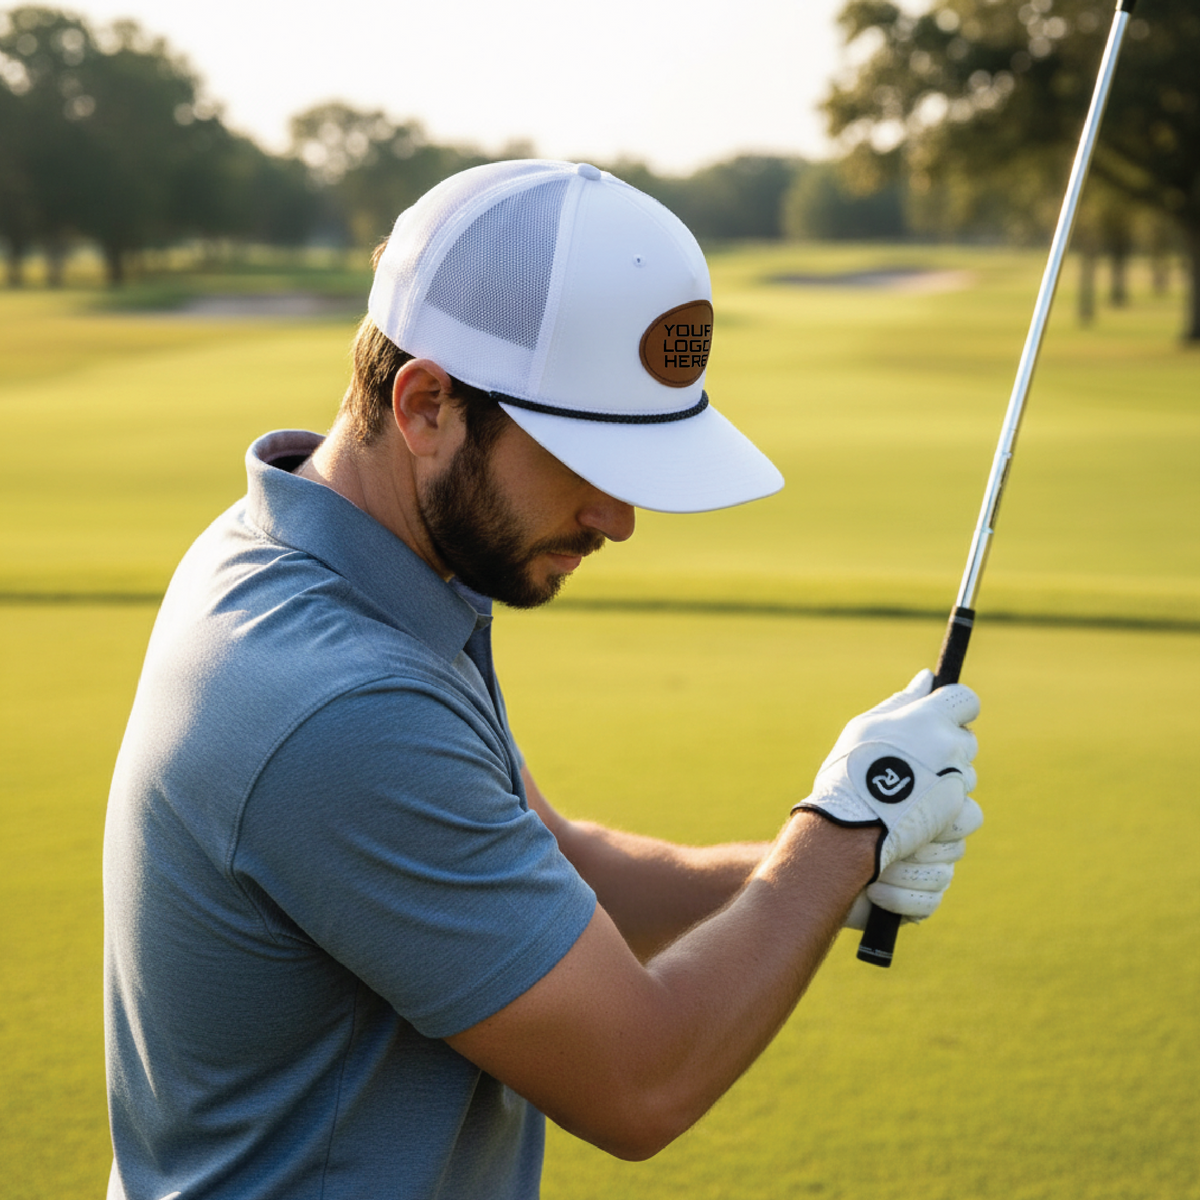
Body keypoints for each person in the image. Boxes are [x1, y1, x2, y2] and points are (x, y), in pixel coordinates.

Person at [103, 160, 983, 1200]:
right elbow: (641, 1082)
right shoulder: (346, 702)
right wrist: (846, 827)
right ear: (427, 405)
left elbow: (554, 865)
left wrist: (808, 884)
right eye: (587, 460)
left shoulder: (323, 556)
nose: (620, 520)